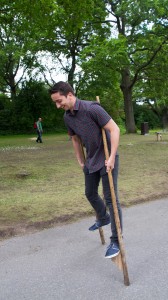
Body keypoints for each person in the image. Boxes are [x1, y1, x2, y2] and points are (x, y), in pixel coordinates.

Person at [49, 81, 123, 259]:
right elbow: (75, 139)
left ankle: (116, 240)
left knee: (111, 199)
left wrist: (112, 156)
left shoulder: (92, 109)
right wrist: (80, 160)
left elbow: (114, 129)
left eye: (59, 101)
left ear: (70, 95)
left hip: (106, 158)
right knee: (90, 193)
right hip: (91, 160)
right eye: (55, 103)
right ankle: (103, 218)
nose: (58, 106)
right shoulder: (68, 117)